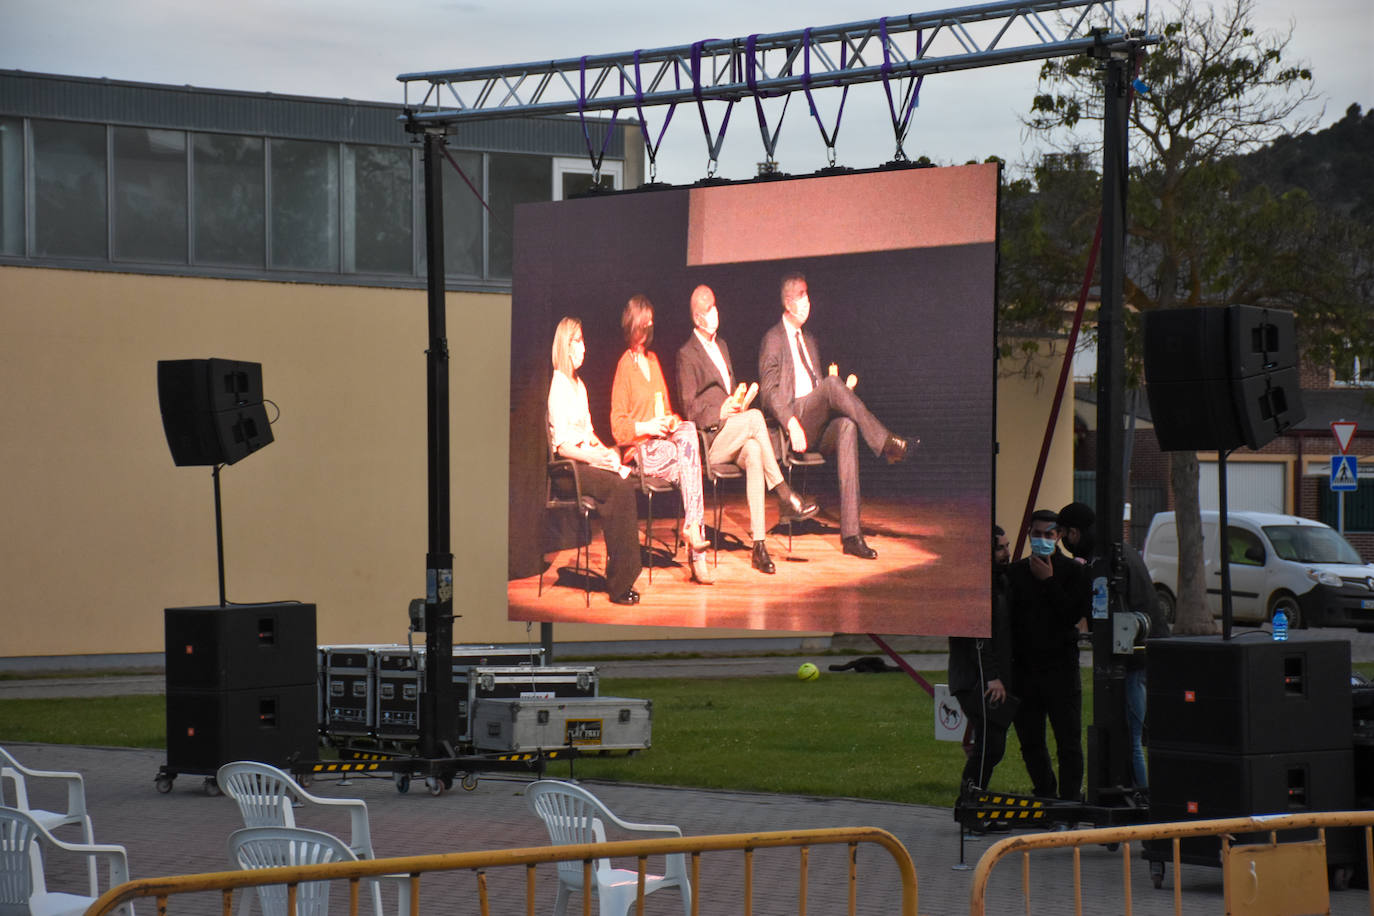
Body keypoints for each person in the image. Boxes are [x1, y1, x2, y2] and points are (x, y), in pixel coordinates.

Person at [757, 272, 914, 559]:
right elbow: (768, 392)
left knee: (847, 426)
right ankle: (886, 442)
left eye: (808, 294)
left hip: (816, 424)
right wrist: (791, 422)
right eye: (803, 295)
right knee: (831, 386)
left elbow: (820, 388)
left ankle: (852, 535)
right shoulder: (773, 339)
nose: (808, 301)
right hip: (796, 421)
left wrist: (841, 393)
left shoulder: (811, 340)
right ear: (790, 302)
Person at [676, 284, 819, 574]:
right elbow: (689, 408)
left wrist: (736, 403)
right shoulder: (686, 354)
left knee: (754, 451)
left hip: (735, 431)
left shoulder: (723, 346)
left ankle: (759, 545)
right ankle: (784, 493)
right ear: (697, 319)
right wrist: (720, 411)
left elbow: (727, 392)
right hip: (711, 440)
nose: (715, 312)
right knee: (755, 418)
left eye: (715, 305)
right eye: (709, 309)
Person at [1056, 501, 1169, 790]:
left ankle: (1143, 798)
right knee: (1138, 735)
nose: (1065, 543)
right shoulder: (1123, 551)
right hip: (1147, 654)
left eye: (1064, 535)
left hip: (1131, 661)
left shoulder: (1102, 561)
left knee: (1130, 737)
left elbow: (1099, 608)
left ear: (1075, 532)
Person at [610, 294, 714, 585]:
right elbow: (618, 428)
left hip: (665, 443)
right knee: (691, 465)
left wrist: (669, 421)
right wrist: (648, 425)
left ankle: (692, 527)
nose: (651, 325)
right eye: (646, 321)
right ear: (634, 324)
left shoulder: (653, 361)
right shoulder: (623, 366)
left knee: (689, 430)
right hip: (640, 451)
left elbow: (666, 409)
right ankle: (698, 557)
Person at [546, 317, 644, 606]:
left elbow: (589, 433)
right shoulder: (559, 385)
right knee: (618, 490)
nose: (583, 347)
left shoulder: (580, 386)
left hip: (585, 462)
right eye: (578, 341)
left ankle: (621, 575)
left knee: (624, 479)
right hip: (567, 470)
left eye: (583, 340)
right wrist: (594, 458)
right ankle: (619, 584)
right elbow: (563, 445)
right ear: (565, 345)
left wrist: (609, 456)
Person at [1007, 508, 1088, 800]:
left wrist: (1049, 581)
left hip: (1061, 670)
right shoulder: (1016, 573)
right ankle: (1045, 794)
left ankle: (1068, 802)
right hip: (1025, 671)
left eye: (1048, 535)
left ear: (1059, 536)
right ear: (1029, 534)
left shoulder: (1073, 572)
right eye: (1037, 534)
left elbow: (1070, 616)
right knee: (1030, 741)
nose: (1042, 540)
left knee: (1068, 741)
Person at [948, 525, 1014, 794]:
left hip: (983, 677)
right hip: (974, 679)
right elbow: (979, 638)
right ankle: (970, 803)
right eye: (1000, 548)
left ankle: (974, 801)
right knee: (991, 744)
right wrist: (991, 677)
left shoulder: (998, 581)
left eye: (1006, 546)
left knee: (992, 744)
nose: (1006, 553)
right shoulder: (974, 586)